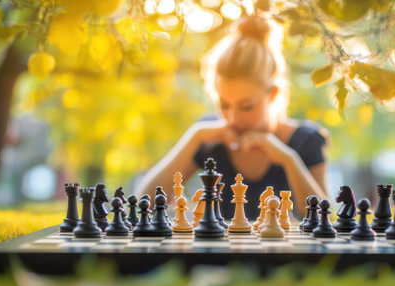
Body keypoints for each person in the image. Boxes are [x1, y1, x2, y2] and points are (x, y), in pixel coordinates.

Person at [135, 14, 329, 220]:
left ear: (271, 94)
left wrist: (288, 159)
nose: (233, 118)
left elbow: (324, 221)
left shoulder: (306, 140)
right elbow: (142, 204)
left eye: (246, 106)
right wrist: (194, 137)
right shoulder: (209, 138)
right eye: (224, 105)